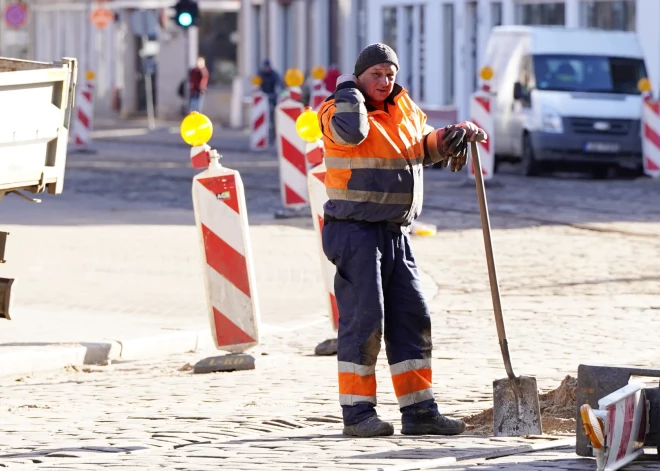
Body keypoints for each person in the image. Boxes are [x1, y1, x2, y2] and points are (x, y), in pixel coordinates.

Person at [318, 43, 486, 438]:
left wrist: (451, 136)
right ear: (359, 76)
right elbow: (352, 131)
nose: (385, 80)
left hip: (395, 231)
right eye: (376, 74)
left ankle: (419, 411)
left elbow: (422, 146)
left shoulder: (405, 109)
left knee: (412, 318)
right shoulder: (335, 110)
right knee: (366, 320)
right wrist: (347, 91)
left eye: (390, 74)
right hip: (355, 229)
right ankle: (357, 413)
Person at [258, 59, 283, 140]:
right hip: (263, 99)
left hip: (273, 98)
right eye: (265, 67)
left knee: (273, 117)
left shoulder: (274, 74)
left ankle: (273, 135)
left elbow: (279, 84)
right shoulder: (261, 74)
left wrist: (278, 93)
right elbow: (257, 84)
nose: (267, 68)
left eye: (268, 67)